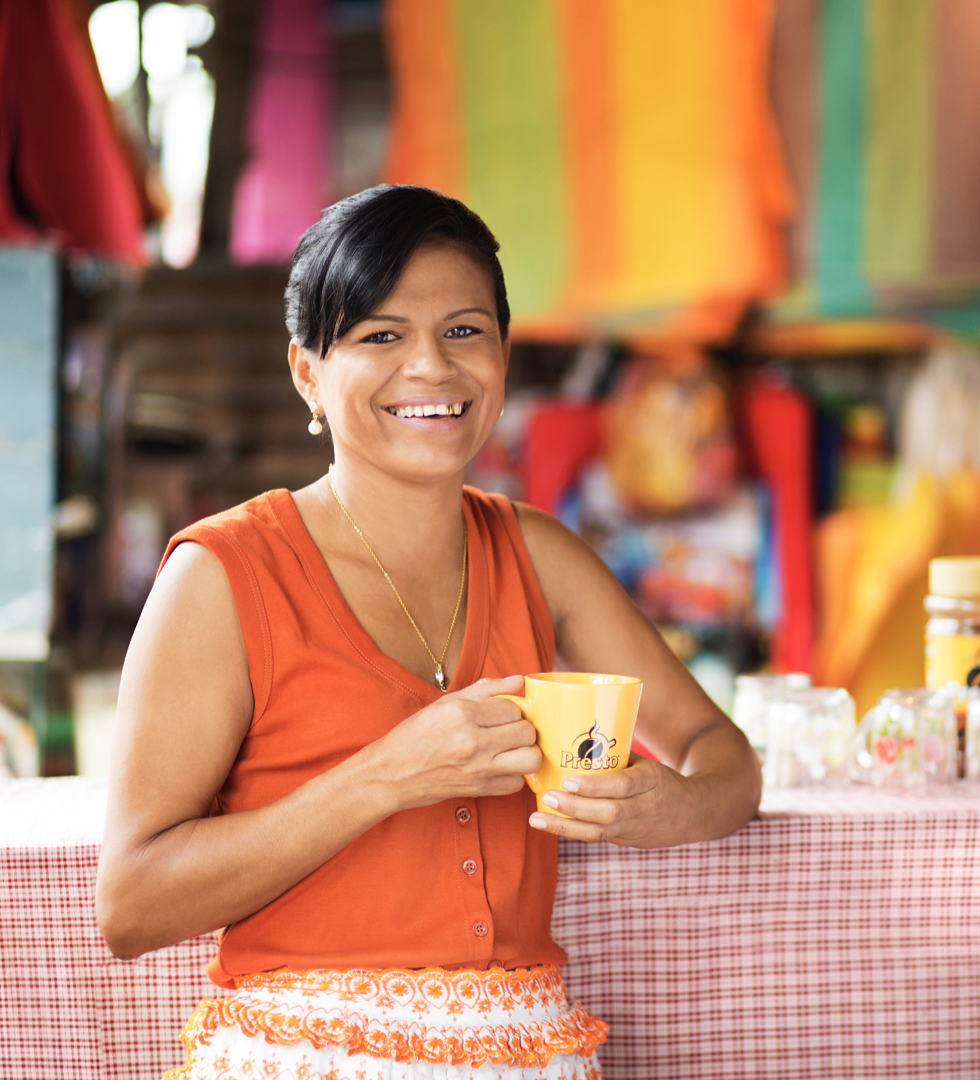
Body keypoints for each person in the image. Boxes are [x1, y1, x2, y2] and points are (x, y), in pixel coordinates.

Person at [96, 184, 763, 1080]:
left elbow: (724, 755)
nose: (433, 370)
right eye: (381, 336)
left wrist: (676, 807)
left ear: (502, 354)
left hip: (528, 1053)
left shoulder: (539, 555)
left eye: (463, 331)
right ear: (307, 373)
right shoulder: (221, 577)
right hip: (306, 1057)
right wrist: (384, 777)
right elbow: (131, 905)